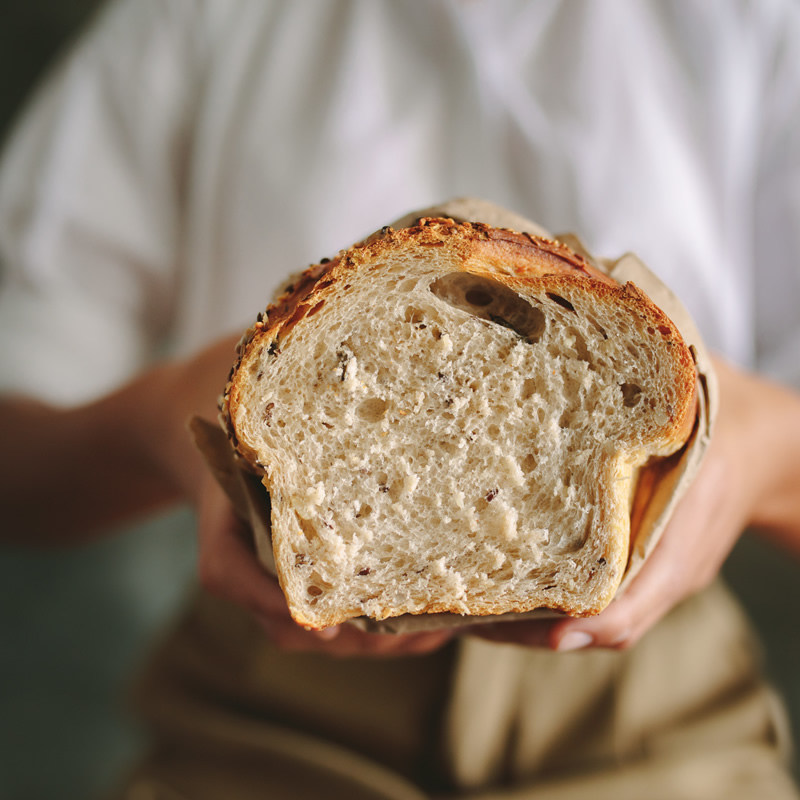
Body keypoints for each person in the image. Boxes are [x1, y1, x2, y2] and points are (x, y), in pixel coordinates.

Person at [1, 1, 800, 797]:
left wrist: (752, 457)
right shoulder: (194, 19)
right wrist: (167, 415)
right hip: (266, 718)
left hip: (654, 732)